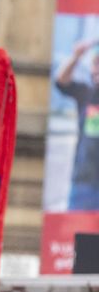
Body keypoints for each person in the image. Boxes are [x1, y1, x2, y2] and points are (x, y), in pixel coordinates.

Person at [55, 39, 99, 211]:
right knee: (77, 233)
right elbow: (61, 82)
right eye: (95, 64)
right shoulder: (85, 93)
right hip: (84, 182)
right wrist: (76, 56)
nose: (97, 69)